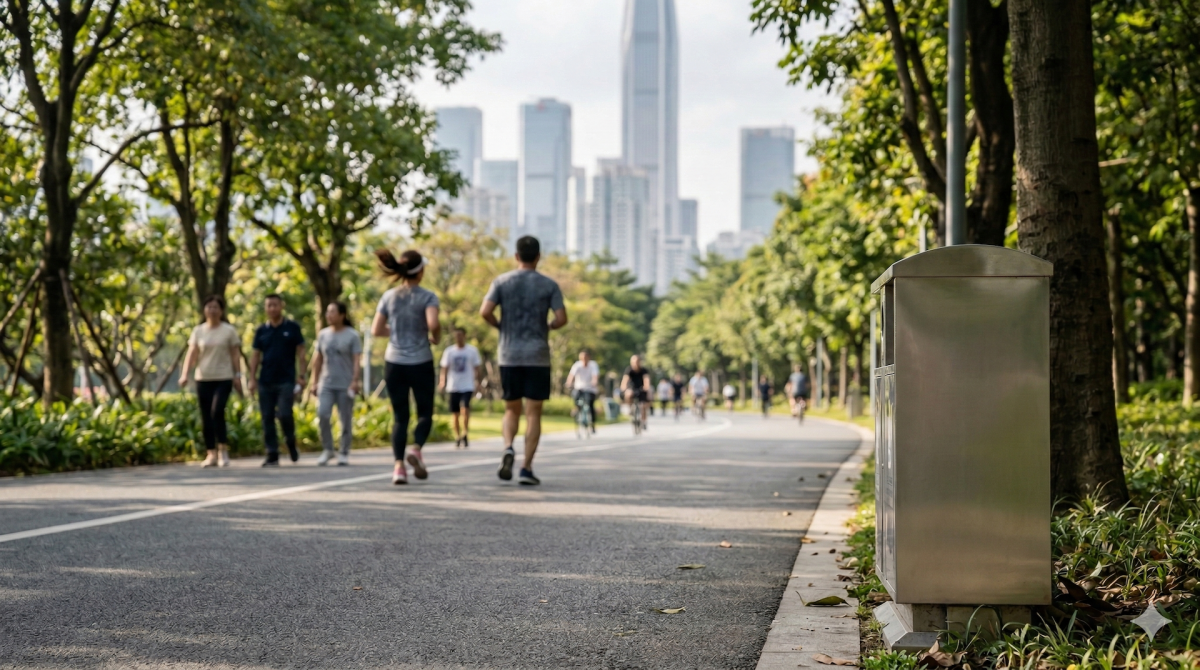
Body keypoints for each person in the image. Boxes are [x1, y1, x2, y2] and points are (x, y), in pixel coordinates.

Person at [480, 235, 567, 486]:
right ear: (538, 257)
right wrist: (548, 325)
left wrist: (500, 326)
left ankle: (508, 447)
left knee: (511, 408)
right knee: (533, 414)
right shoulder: (549, 285)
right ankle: (526, 468)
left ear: (516, 256)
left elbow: (485, 311)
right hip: (537, 355)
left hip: (509, 354)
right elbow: (562, 318)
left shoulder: (501, 281)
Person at [373, 249, 441, 485]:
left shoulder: (389, 297)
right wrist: (435, 335)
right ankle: (415, 449)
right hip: (420, 362)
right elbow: (433, 324)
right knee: (424, 413)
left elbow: (376, 330)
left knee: (400, 418)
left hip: (394, 363)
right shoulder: (428, 296)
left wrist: (399, 331)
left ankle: (399, 468)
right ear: (420, 271)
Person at [180, 295, 243, 467]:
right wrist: (185, 374)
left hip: (224, 377)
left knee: (217, 412)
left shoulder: (228, 330)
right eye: (209, 307)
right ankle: (211, 453)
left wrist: (238, 375)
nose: (212, 310)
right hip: (203, 377)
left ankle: (223, 450)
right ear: (204, 310)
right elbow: (192, 353)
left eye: (216, 307)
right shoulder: (198, 331)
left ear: (221, 311)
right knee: (206, 416)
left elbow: (235, 354)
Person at [248, 294, 307, 467]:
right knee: (266, 417)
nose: (272, 308)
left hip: (286, 380)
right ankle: (272, 453)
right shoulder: (261, 331)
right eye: (269, 305)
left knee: (285, 414)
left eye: (275, 305)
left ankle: (290, 441)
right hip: (265, 380)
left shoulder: (292, 327)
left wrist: (302, 376)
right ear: (265, 308)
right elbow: (255, 356)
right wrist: (252, 378)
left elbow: (301, 352)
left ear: (281, 306)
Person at [310, 301, 362, 466]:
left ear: (342, 315)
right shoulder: (323, 334)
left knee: (345, 419)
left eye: (332, 312)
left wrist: (355, 381)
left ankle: (344, 452)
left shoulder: (352, 335)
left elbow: (356, 360)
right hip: (326, 383)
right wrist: (314, 382)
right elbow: (317, 360)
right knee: (322, 414)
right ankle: (328, 449)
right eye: (327, 312)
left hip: (345, 384)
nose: (329, 315)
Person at [439, 328, 482, 448]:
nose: (458, 338)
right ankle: (457, 436)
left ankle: (465, 432)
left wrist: (478, 382)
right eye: (456, 335)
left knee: (465, 408)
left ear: (464, 336)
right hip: (453, 386)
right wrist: (442, 382)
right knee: (455, 414)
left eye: (460, 335)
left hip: (467, 385)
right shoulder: (449, 351)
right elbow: (444, 368)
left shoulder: (472, 351)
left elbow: (477, 367)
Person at [566, 349, 600, 434]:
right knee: (575, 395)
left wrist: (594, 382)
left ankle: (592, 424)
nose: (584, 360)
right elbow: (571, 375)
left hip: (590, 388)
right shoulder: (577, 365)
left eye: (585, 357)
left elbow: (595, 376)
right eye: (582, 358)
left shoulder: (593, 365)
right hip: (579, 387)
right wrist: (569, 383)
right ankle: (576, 408)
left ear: (589, 357)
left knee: (590, 404)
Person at [620, 355, 652, 429]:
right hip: (632, 388)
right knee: (628, 394)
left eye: (637, 362)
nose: (635, 364)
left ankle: (644, 422)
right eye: (633, 362)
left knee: (643, 405)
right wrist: (623, 387)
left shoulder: (644, 370)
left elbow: (646, 380)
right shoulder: (629, 370)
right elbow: (625, 380)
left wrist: (646, 387)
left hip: (641, 389)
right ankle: (630, 408)